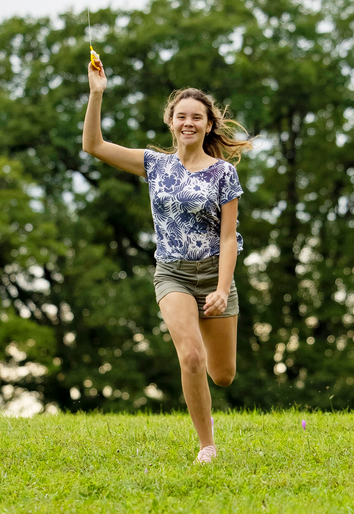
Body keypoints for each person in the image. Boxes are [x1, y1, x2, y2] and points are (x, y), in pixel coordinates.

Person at [82, 57, 254, 464]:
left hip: (214, 273)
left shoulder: (223, 174)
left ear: (208, 125)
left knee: (223, 374)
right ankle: (207, 445)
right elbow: (94, 146)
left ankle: (210, 355)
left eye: (197, 117)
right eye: (181, 116)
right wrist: (96, 93)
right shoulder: (154, 164)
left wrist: (221, 288)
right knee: (190, 356)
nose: (188, 122)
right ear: (171, 122)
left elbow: (229, 238)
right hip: (172, 273)